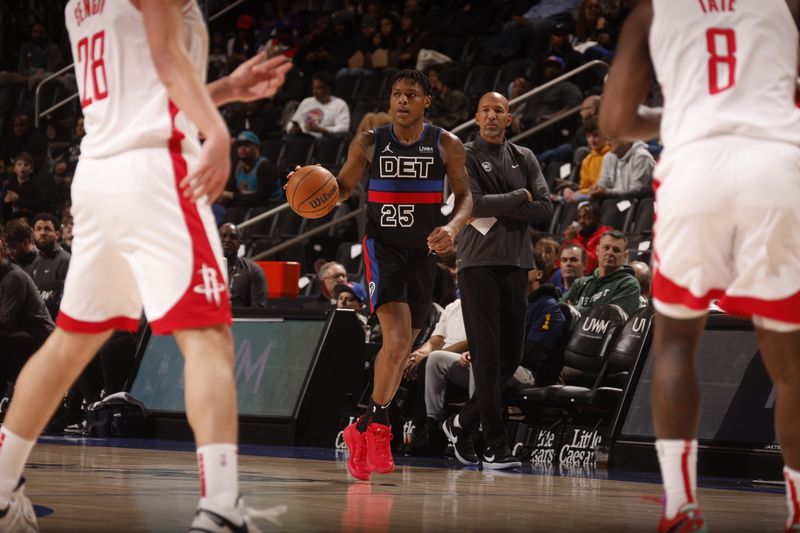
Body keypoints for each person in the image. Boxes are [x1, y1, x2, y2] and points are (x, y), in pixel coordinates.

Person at [0, 1, 291, 531]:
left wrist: (224, 89)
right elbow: (162, 57)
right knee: (207, 337)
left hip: (99, 173)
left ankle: (0, 486)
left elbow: (145, 86)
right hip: (158, 169)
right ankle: (222, 508)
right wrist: (218, 130)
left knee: (70, 341)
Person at [599, 1, 800, 529]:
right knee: (791, 360)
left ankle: (681, 505)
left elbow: (615, 120)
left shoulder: (651, 12)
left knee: (675, 344)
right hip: (775, 166)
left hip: (694, 170)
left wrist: (690, 110)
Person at [311, 69, 472, 481]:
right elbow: (344, 188)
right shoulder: (369, 141)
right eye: (396, 94)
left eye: (411, 94)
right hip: (382, 249)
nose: (402, 101)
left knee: (402, 349)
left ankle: (359, 428)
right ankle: (380, 428)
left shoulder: (446, 143)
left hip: (423, 254)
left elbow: (466, 198)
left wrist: (451, 229)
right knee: (397, 339)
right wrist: (319, 190)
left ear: (426, 101)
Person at [442, 91, 552, 470]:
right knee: (487, 358)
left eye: (499, 111)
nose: (491, 115)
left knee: (511, 356)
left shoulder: (525, 157)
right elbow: (471, 204)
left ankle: (462, 422)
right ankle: (494, 445)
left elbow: (544, 208)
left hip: (517, 263)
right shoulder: (464, 156)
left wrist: (507, 200)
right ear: (476, 117)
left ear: (509, 119)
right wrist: (519, 196)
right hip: (476, 265)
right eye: (486, 109)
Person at [562, 230, 641, 317]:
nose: (610, 253)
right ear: (597, 250)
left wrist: (573, 309)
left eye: (616, 250)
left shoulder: (629, 285)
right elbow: (560, 307)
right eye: (606, 248)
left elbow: (610, 316)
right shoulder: (580, 284)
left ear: (625, 256)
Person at [220, 130, 281, 207]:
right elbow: (231, 192)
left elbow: (261, 198)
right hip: (248, 206)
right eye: (239, 145)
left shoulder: (265, 166)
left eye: (247, 145)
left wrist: (232, 195)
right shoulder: (236, 168)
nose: (242, 148)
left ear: (257, 147)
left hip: (270, 207)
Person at [285, 71, 350, 139]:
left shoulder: (340, 104)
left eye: (319, 88)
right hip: (301, 137)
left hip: (323, 140)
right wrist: (292, 128)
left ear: (328, 88)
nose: (315, 91)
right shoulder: (306, 102)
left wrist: (322, 130)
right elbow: (293, 122)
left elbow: (343, 128)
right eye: (314, 88)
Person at [219, 223, 268, 308]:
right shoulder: (203, 270)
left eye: (232, 237)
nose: (227, 240)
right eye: (223, 236)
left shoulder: (253, 270)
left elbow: (259, 310)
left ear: (239, 243)